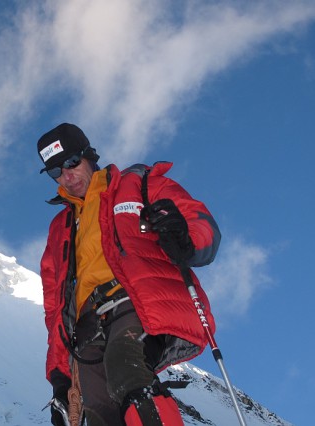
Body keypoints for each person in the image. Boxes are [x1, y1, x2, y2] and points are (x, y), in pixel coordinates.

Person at [37, 123, 221, 426]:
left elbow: (201, 223)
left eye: (71, 163)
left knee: (126, 365)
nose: (67, 177)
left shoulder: (138, 184)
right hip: (85, 326)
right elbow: (54, 307)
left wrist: (185, 238)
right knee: (99, 411)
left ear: (89, 156)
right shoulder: (60, 228)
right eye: (57, 172)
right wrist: (60, 375)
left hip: (133, 302)